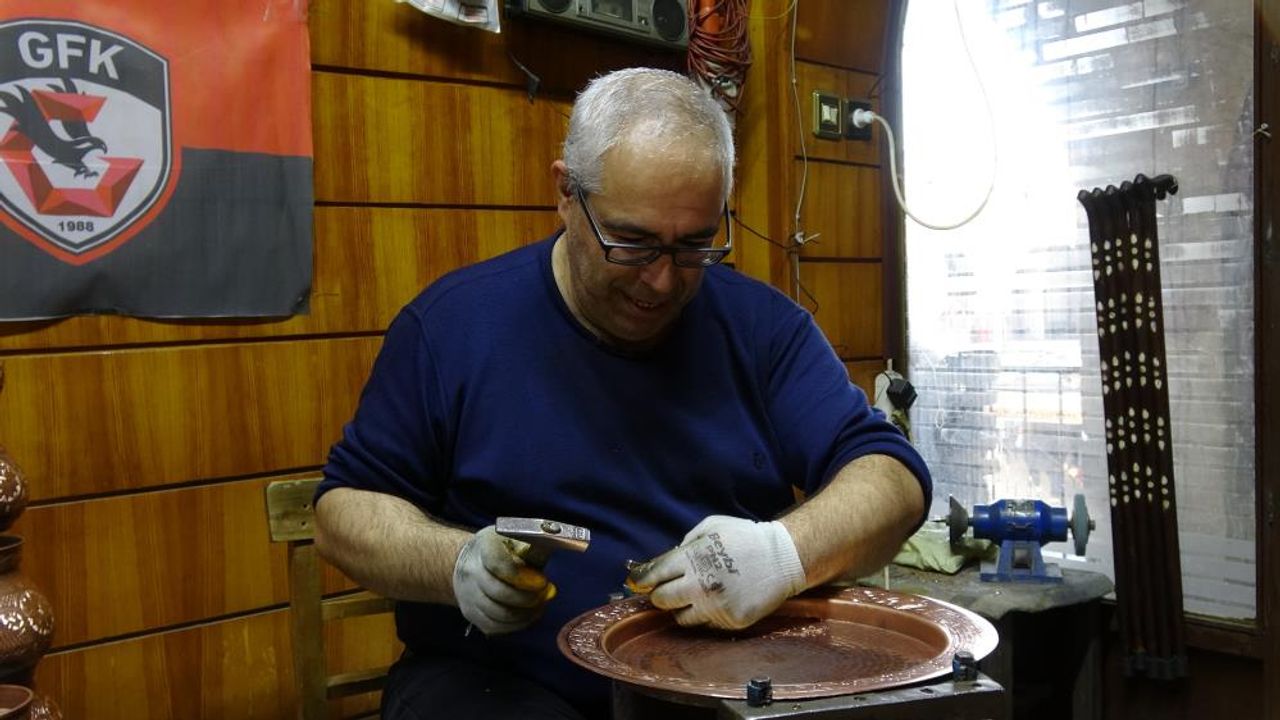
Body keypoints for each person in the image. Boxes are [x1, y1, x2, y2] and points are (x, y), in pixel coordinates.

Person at [314, 66, 931, 720]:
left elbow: (892, 479)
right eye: (632, 243)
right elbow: (343, 513)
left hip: (715, 682)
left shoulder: (765, 331)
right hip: (500, 682)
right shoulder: (451, 329)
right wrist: (456, 563)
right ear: (565, 193)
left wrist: (782, 554)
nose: (661, 282)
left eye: (694, 246)